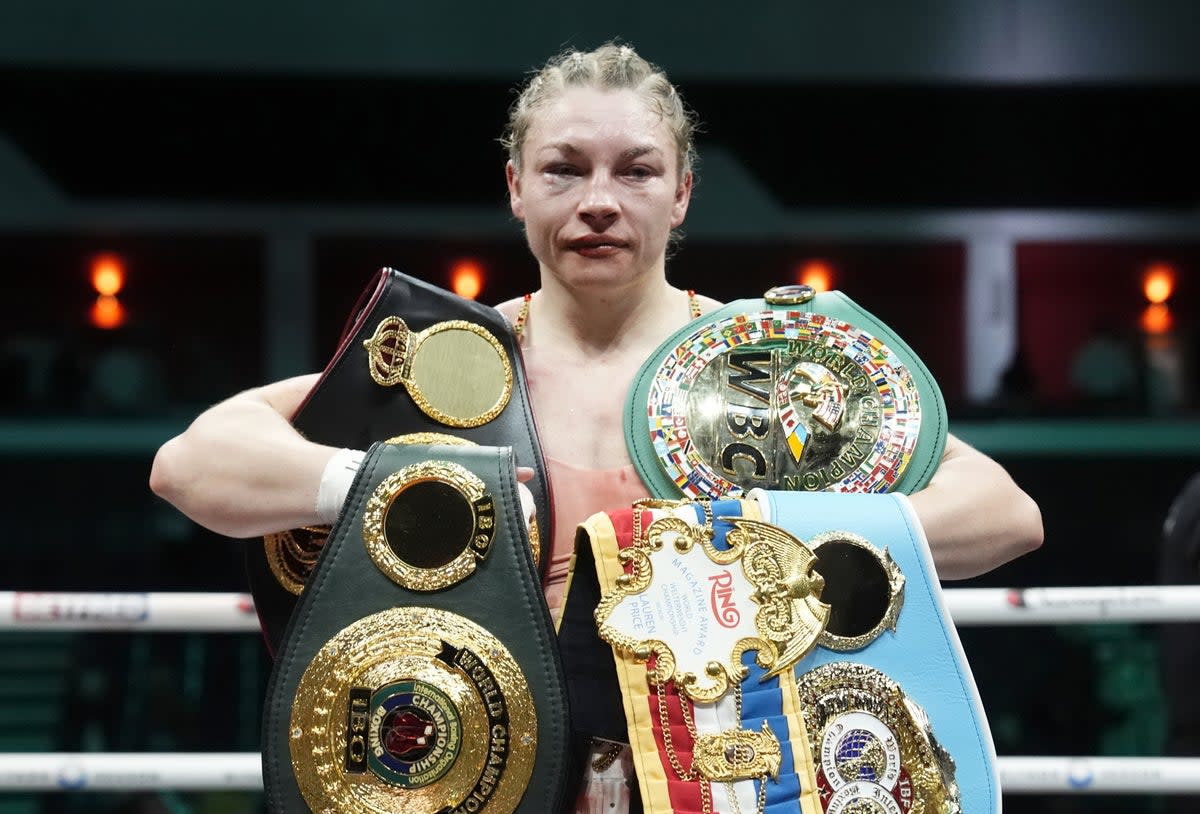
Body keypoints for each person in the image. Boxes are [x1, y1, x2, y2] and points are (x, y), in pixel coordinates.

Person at [150, 42, 1043, 813]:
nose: (599, 201)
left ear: (684, 192)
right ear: (516, 188)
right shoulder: (450, 371)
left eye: (637, 170)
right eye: (564, 168)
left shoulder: (765, 372)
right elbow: (192, 465)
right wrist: (385, 487)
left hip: (724, 776)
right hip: (486, 772)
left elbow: (1004, 514)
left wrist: (765, 537)